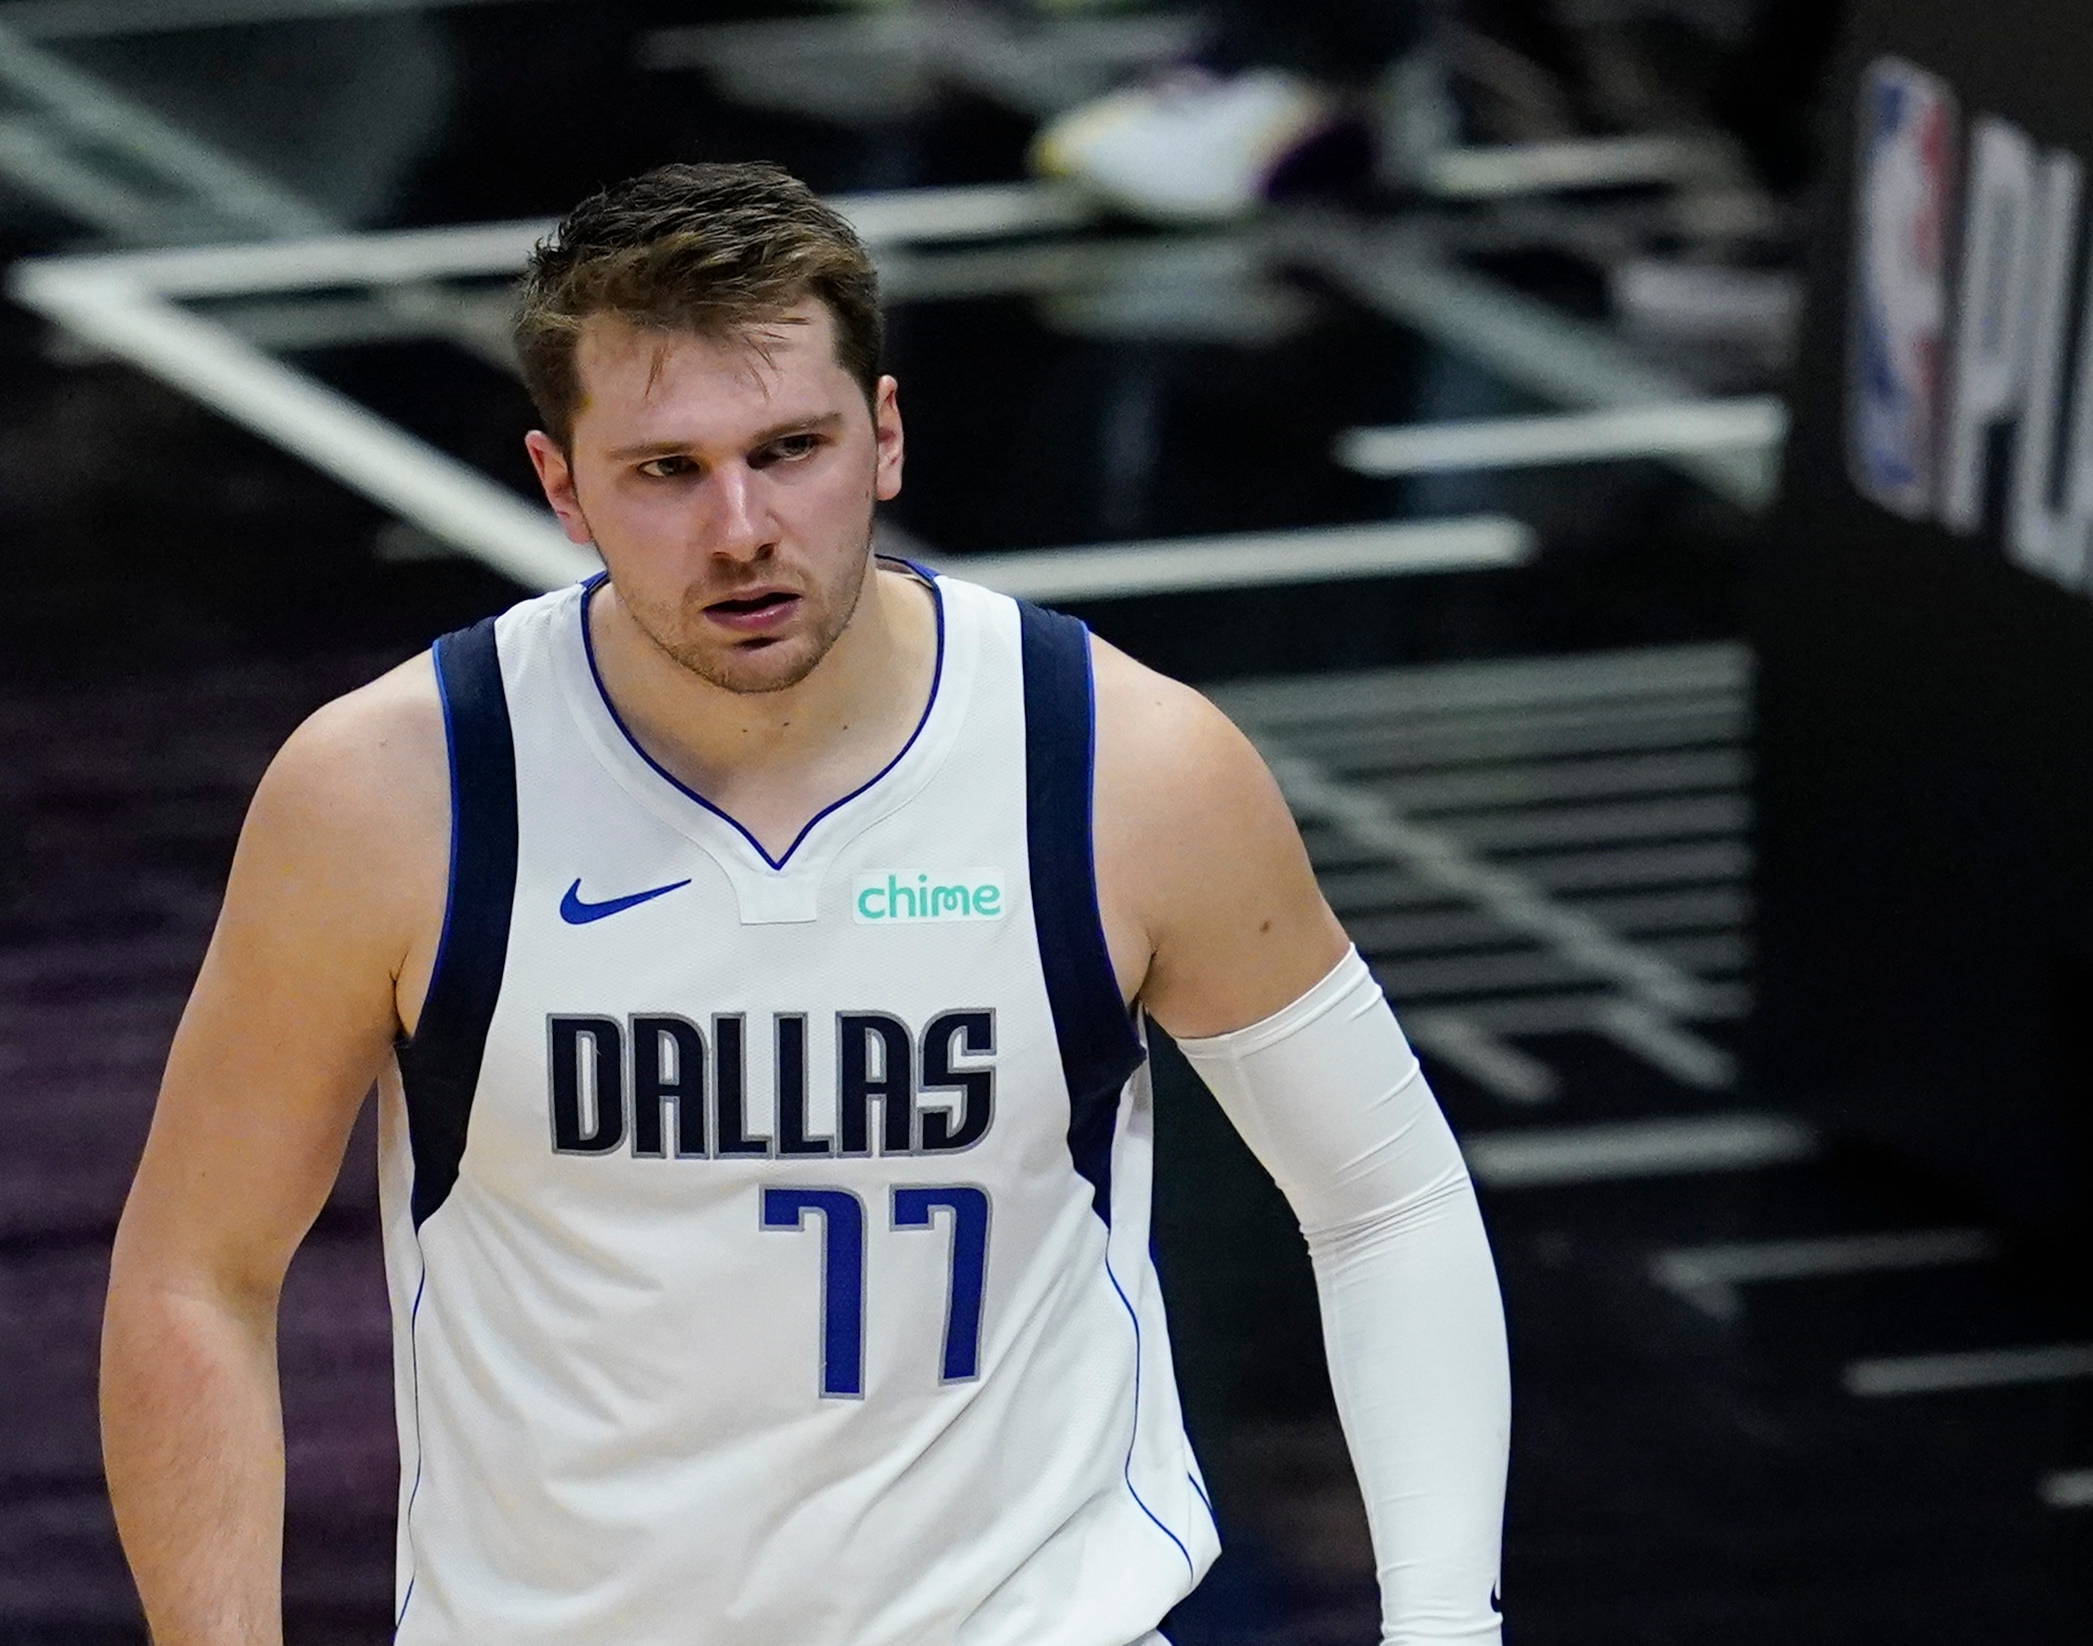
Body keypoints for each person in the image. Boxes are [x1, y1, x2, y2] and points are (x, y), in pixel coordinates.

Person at [98, 160, 1511, 1646]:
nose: (743, 526)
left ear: (886, 437)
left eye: (791, 448)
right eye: (666, 470)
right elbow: (198, 1273)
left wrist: (1446, 1630)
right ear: (560, 485)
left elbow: (1385, 1200)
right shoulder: (396, 796)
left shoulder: (1122, 768)